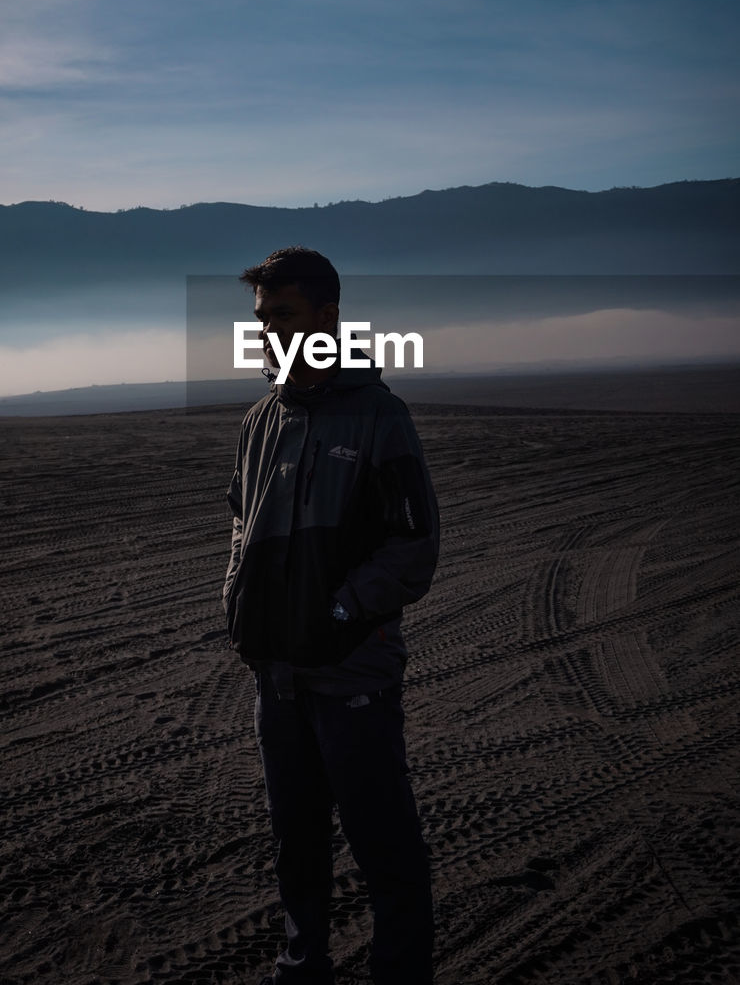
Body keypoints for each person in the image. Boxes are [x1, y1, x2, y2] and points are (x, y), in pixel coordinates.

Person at [223, 247, 439, 985]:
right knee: (296, 842)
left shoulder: (380, 416)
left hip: (352, 676)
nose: (269, 333)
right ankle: (300, 966)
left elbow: (415, 544)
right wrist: (239, 601)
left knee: (384, 845)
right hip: (277, 681)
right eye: (261, 320)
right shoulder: (259, 422)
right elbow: (239, 525)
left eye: (283, 316)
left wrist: (342, 609)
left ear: (326, 316)